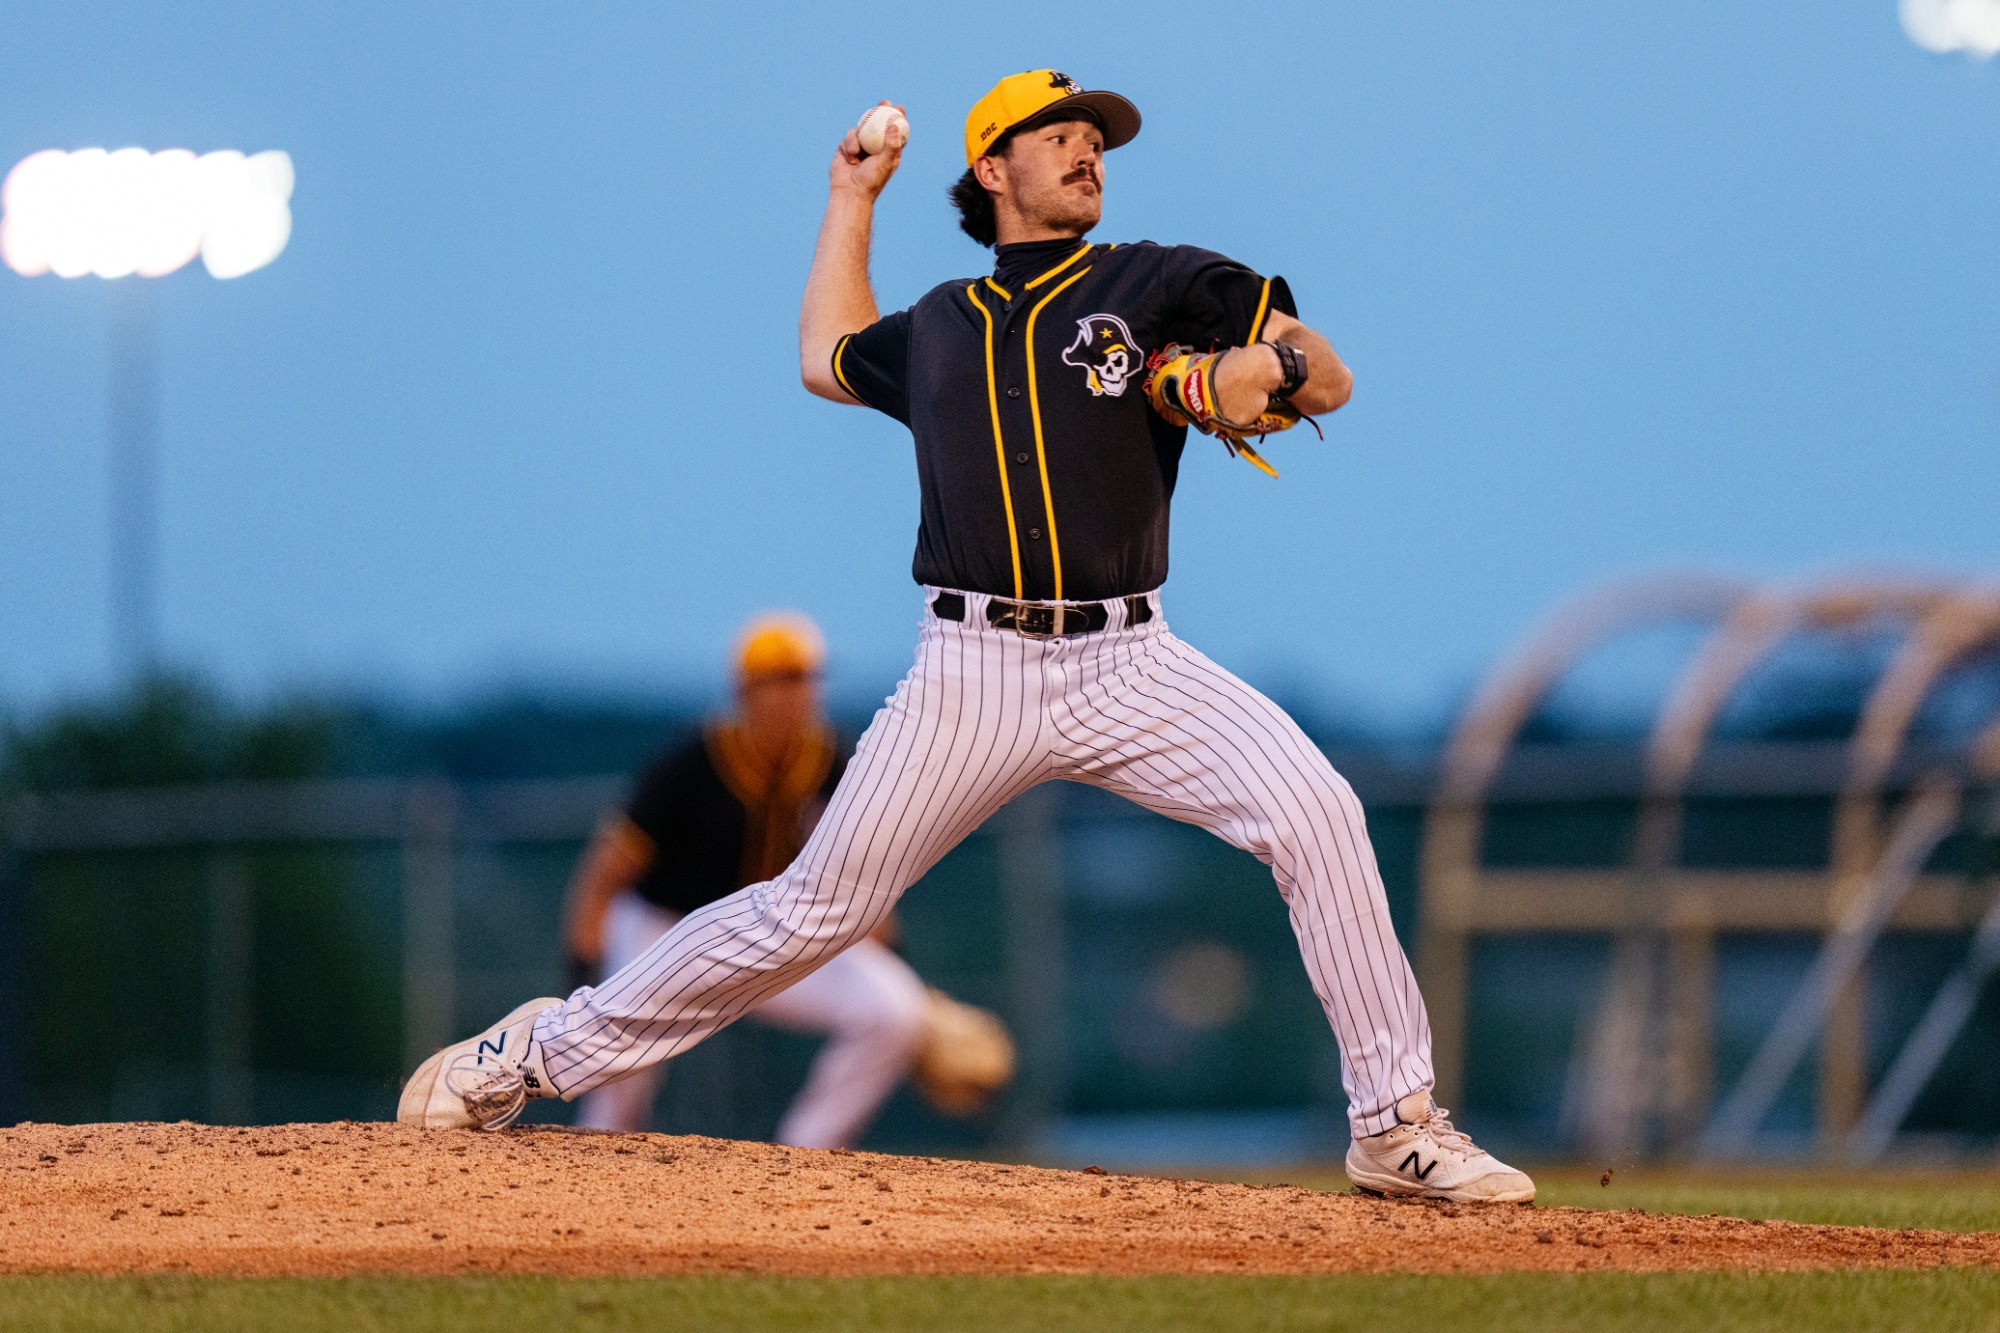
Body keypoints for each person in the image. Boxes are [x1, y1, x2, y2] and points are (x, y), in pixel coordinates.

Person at [401, 70, 1534, 1204]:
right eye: (1058, 136)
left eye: (1097, 139)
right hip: (970, 671)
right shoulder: (941, 325)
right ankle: (532, 1055)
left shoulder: (1161, 280)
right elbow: (822, 354)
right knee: (813, 910)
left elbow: (1325, 372)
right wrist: (852, 198)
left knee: (1319, 814)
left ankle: (1392, 1126)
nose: (1088, 151)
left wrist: (1271, 368)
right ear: (992, 169)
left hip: (1130, 659)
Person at [559, 613, 926, 1148]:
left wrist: (915, 988)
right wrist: (584, 968)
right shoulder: (691, 764)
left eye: (806, 679)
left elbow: (862, 881)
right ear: (744, 691)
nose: (798, 694)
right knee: (624, 1048)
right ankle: (595, 1151)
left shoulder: (831, 762)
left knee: (895, 1012)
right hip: (665, 931)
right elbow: (603, 874)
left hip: (776, 934)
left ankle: (805, 1153)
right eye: (782, 680)